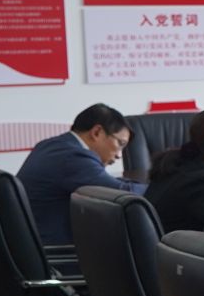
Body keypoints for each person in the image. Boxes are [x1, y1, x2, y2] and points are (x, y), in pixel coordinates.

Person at [17, 103, 144, 247]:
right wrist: (161, 187)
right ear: (97, 132)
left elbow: (107, 181)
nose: (119, 155)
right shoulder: (74, 157)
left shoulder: (50, 145)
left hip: (33, 244)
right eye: (120, 143)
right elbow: (124, 193)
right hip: (57, 251)